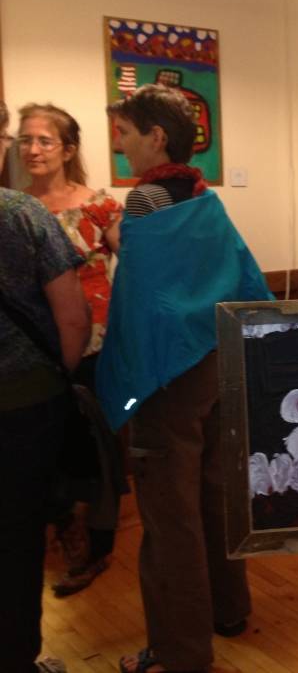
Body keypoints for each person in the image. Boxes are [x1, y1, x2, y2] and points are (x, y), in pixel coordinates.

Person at [97, 84, 272, 673]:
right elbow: (234, 274)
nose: (120, 147)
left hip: (166, 374)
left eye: (124, 133)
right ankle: (228, 608)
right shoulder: (203, 195)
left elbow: (145, 291)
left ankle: (178, 654)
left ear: (156, 137)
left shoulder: (145, 200)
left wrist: (112, 238)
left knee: (170, 517)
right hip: (214, 363)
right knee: (215, 495)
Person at [18, 102, 126, 596]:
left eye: (44, 140)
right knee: (48, 448)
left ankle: (96, 545)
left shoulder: (99, 206)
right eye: (26, 139)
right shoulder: (15, 208)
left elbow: (140, 267)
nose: (33, 149)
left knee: (98, 452)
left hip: (95, 348)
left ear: (68, 148)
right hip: (35, 351)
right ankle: (65, 527)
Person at [0, 100, 91, 673]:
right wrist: (59, 374)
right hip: (25, 401)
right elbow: (72, 318)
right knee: (15, 536)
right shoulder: (21, 215)